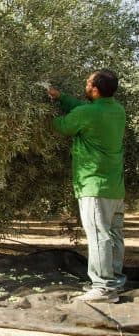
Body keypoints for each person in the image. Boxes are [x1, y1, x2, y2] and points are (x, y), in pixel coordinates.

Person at [48, 69, 126, 303]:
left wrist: (44, 112)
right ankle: (116, 281)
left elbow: (61, 125)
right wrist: (61, 98)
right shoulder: (117, 110)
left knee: (99, 236)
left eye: (88, 82)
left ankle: (103, 288)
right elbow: (83, 110)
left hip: (94, 186)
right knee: (114, 235)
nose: (85, 84)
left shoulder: (87, 113)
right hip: (114, 186)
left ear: (94, 88)